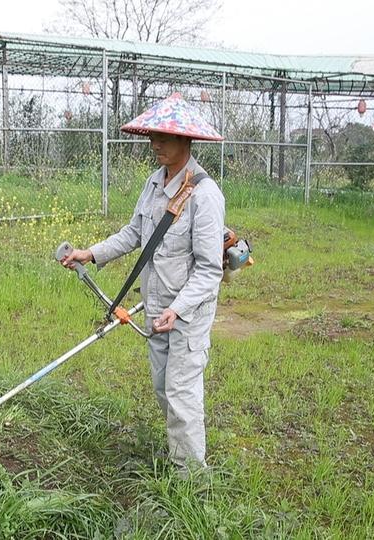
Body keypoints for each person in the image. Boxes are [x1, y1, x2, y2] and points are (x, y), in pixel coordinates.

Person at [60, 92, 225, 471]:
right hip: (155, 308)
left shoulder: (205, 196)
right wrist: (92, 253)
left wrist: (178, 309)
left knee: (181, 393)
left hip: (185, 316)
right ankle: (180, 451)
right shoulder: (154, 183)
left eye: (164, 137)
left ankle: (191, 482)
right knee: (164, 389)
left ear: (187, 141)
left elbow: (209, 270)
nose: (155, 143)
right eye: (152, 136)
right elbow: (135, 233)